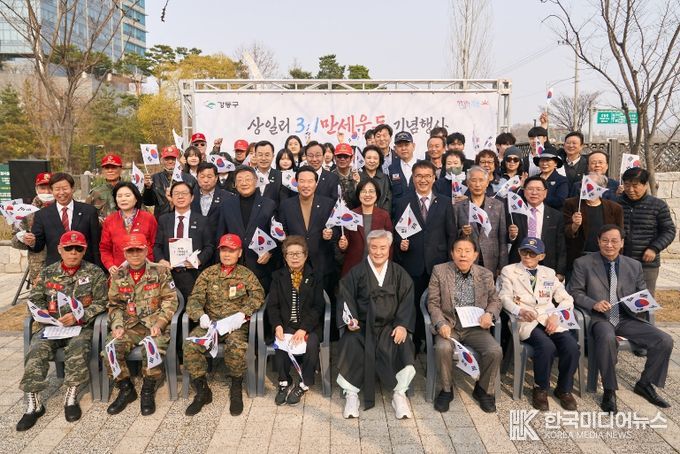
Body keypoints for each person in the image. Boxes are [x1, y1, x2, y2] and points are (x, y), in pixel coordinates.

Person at [569, 225, 674, 412]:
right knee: (607, 337)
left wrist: (642, 302)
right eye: (605, 240)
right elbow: (575, 292)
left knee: (664, 340)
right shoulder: (583, 263)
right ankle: (609, 390)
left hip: (626, 318)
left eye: (614, 241)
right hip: (599, 318)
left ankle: (645, 383)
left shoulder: (633, 265)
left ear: (622, 243)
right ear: (598, 241)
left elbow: (642, 293)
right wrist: (594, 304)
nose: (609, 245)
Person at [16, 231, 107, 431]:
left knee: (78, 346)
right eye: (68, 248)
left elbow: (102, 302)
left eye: (78, 249)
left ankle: (71, 396)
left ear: (84, 251)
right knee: (36, 348)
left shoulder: (95, 273)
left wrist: (79, 316)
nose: (73, 252)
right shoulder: (47, 273)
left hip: (80, 327)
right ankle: (34, 403)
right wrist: (45, 316)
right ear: (59, 249)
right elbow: (35, 300)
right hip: (51, 327)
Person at [337, 230, 416, 419]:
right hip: (363, 326)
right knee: (351, 342)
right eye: (374, 247)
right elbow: (345, 297)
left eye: (383, 248)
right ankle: (351, 394)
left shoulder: (399, 273)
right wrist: (351, 320)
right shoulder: (356, 272)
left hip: (390, 326)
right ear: (368, 248)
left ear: (389, 248)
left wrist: (402, 325)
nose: (378, 252)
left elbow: (407, 300)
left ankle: (399, 394)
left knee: (402, 343)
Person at [183, 234, 265, 416]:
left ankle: (236, 386)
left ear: (239, 253)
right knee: (190, 345)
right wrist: (200, 315)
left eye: (232, 250)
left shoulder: (246, 274)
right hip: (210, 324)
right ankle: (202, 390)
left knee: (236, 345)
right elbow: (194, 299)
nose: (227, 254)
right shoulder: (208, 273)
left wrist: (243, 313)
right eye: (224, 250)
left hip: (236, 325)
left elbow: (258, 296)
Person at [499, 237, 579, 411]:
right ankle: (540, 388)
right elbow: (504, 297)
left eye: (532, 254)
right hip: (525, 320)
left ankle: (564, 389)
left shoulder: (549, 273)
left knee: (572, 346)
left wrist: (557, 315)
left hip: (549, 318)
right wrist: (519, 310)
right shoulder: (509, 271)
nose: (527, 256)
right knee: (546, 346)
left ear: (541, 256)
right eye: (524, 252)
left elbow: (566, 299)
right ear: (519, 252)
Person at [105, 233, 178, 416]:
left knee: (153, 347)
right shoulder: (118, 275)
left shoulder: (160, 271)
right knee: (110, 349)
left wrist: (160, 323)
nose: (135, 254)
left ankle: (148, 388)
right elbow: (114, 305)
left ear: (146, 250)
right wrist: (117, 326)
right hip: (128, 326)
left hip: (154, 324)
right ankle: (125, 388)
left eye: (139, 250)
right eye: (131, 251)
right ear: (124, 253)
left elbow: (170, 300)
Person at [427, 237, 502, 413]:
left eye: (467, 251)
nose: (463, 255)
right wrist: (440, 323)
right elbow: (433, 303)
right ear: (452, 254)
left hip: (475, 327)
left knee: (495, 350)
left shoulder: (485, 274)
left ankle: (482, 389)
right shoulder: (439, 271)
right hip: (450, 325)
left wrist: (489, 314)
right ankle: (446, 390)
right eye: (459, 251)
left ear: (475, 255)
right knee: (443, 348)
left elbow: (495, 300)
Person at [393, 160, 457, 351]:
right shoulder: (402, 201)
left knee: (436, 303)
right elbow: (397, 231)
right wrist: (400, 244)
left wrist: (449, 263)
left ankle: (434, 341)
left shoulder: (445, 202)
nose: (423, 180)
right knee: (412, 303)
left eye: (427, 176)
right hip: (412, 262)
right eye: (419, 176)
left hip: (438, 264)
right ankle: (414, 342)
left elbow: (451, 234)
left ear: (434, 178)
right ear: (413, 178)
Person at [268, 236, 325, 406]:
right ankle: (284, 381)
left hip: (309, 326)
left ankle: (304, 384)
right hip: (286, 324)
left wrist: (304, 328)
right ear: (285, 257)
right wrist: (277, 325)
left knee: (312, 342)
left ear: (305, 255)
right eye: (290, 254)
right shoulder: (278, 276)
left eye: (298, 253)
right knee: (280, 340)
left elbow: (318, 307)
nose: (294, 257)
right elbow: (273, 306)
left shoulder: (315, 276)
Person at [216, 166, 277, 291]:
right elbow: (221, 234)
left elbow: (276, 235)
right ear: (235, 184)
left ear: (256, 181)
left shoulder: (269, 204)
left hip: (260, 266)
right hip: (233, 266)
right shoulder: (227, 205)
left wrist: (270, 252)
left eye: (248, 179)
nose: (244, 183)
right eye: (240, 180)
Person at [279, 166, 338, 295]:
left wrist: (331, 233)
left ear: (316, 183)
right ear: (296, 183)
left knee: (322, 301)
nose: (306, 185)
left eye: (310, 181)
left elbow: (337, 230)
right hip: (296, 263)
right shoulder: (286, 205)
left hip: (322, 262)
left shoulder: (328, 204)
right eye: (302, 181)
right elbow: (283, 231)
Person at [619, 167, 676, 296]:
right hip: (621, 260)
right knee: (620, 297)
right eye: (627, 185)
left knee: (644, 299)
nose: (630, 190)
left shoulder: (658, 205)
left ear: (645, 185)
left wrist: (654, 248)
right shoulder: (617, 204)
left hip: (646, 262)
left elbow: (669, 230)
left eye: (635, 186)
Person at [155, 181, 215, 301]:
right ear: (171, 197)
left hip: (193, 274)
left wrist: (199, 260)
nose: (180, 196)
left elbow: (209, 246)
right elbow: (157, 246)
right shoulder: (164, 220)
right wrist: (161, 260)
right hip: (169, 273)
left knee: (193, 307)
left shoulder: (202, 220)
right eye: (176, 193)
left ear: (192, 197)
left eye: (184, 193)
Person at [27, 172, 101, 267]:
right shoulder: (42, 214)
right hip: (56, 269)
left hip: (85, 267)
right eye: (57, 189)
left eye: (65, 188)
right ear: (52, 191)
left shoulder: (89, 211)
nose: (61, 193)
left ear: (72, 189)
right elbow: (38, 246)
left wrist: (99, 268)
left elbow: (96, 243)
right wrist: (32, 242)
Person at [563, 173, 623, 273]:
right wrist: (575, 226)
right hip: (578, 257)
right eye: (583, 185)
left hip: (605, 257)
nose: (585, 188)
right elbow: (565, 233)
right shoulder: (571, 204)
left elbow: (620, 235)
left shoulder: (615, 208)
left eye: (589, 185)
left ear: (600, 188)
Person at [508, 176, 567, 278]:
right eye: (530, 189)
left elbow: (561, 245)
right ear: (524, 191)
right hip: (519, 262)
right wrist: (512, 236)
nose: (534, 193)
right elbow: (505, 240)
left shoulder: (556, 215)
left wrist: (560, 271)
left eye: (538, 189)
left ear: (545, 193)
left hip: (547, 264)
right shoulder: (514, 213)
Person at [454, 166, 508, 277]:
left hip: (491, 260)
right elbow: (452, 235)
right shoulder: (458, 207)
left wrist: (502, 266)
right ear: (468, 183)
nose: (477, 184)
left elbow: (502, 238)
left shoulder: (498, 206)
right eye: (473, 180)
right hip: (466, 260)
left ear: (487, 183)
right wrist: (462, 232)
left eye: (481, 180)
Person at [338, 179, 393, 276]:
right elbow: (345, 243)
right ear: (359, 194)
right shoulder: (351, 215)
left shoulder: (384, 215)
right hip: (354, 267)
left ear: (377, 194)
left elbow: (390, 245)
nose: (367, 194)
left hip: (377, 267)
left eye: (371, 191)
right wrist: (343, 245)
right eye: (363, 191)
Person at [100, 182, 157, 275]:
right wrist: (110, 265)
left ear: (136, 198)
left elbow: (156, 244)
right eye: (119, 196)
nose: (123, 199)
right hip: (119, 271)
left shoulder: (148, 218)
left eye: (127, 195)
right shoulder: (110, 220)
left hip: (146, 271)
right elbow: (105, 248)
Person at [11, 172, 53, 284]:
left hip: (65, 263)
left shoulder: (65, 208)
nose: (47, 192)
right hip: (39, 266)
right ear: (36, 189)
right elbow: (14, 241)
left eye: (50, 188)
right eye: (43, 188)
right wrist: (23, 238)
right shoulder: (25, 211)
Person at [142, 145, 196, 221]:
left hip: (184, 219)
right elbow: (149, 202)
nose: (170, 161)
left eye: (173, 159)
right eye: (167, 159)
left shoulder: (189, 179)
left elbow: (195, 202)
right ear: (162, 160)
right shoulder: (154, 178)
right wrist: (148, 188)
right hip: (161, 220)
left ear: (178, 160)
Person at [86, 153, 123, 223]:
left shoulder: (129, 190)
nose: (110, 170)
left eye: (114, 167)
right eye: (107, 168)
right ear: (103, 171)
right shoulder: (95, 192)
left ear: (121, 169)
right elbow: (86, 216)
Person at [387, 131, 419, 212]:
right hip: (398, 215)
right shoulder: (391, 169)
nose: (403, 148)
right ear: (395, 149)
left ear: (413, 146)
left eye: (406, 145)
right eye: (400, 146)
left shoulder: (424, 166)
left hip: (420, 214)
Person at [359, 145, 391, 213]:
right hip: (360, 215)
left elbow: (388, 200)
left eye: (375, 158)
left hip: (381, 216)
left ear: (380, 161)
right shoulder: (357, 177)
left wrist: (382, 215)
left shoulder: (384, 178)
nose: (372, 161)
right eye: (368, 158)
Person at [253, 140, 286, 206]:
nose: (263, 158)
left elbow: (283, 203)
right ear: (255, 156)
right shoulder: (249, 175)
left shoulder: (280, 176)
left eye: (267, 155)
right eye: (260, 155)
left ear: (273, 156)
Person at [333, 143, 360, 208]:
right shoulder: (330, 177)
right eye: (339, 156)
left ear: (352, 158)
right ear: (334, 157)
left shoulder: (360, 176)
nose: (342, 159)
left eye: (345, 156)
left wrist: (357, 184)